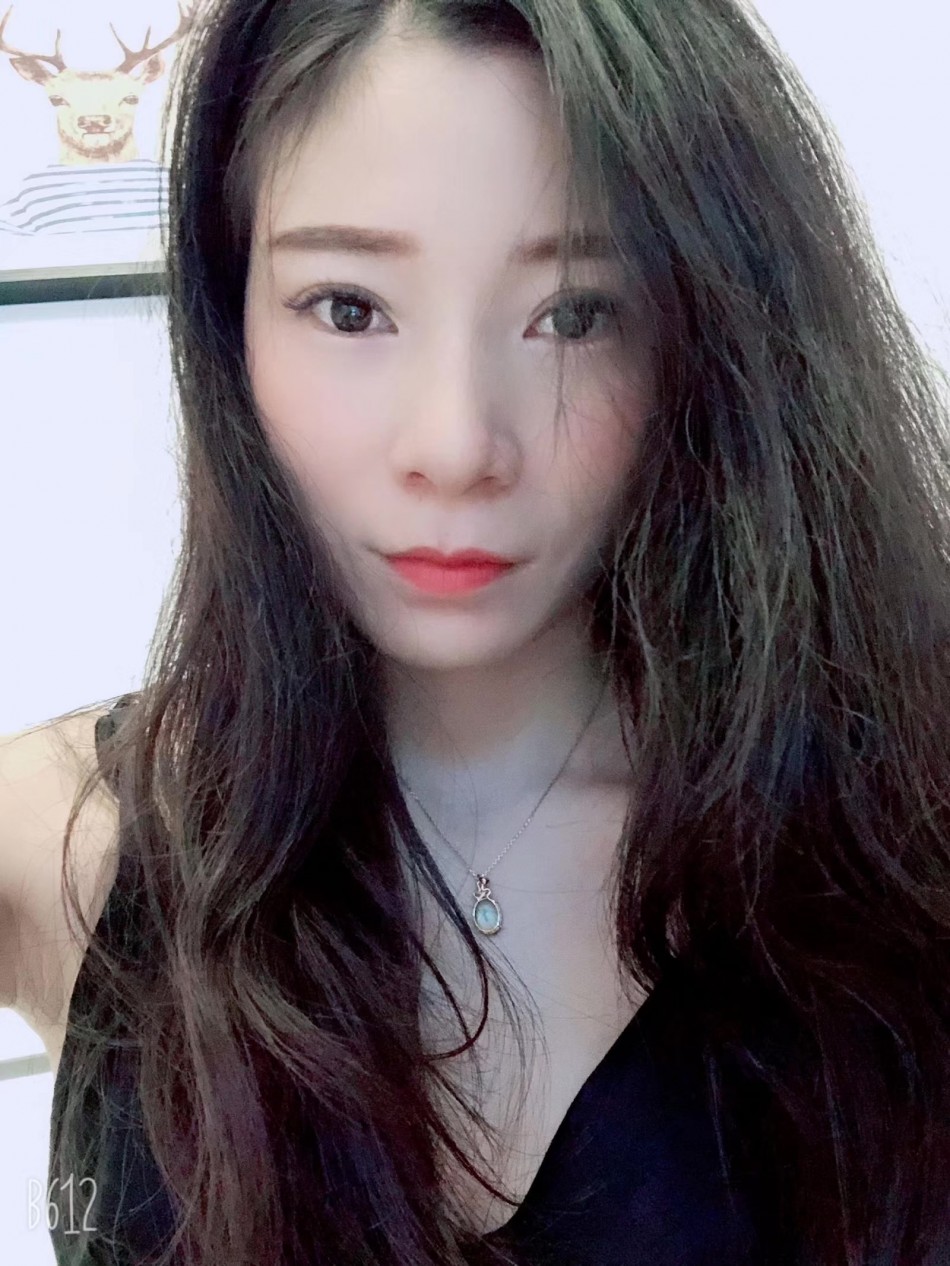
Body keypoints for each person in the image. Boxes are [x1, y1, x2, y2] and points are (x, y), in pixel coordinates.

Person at [2, 0, 950, 1262]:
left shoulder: (891, 844)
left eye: (574, 315)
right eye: (348, 308)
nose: (454, 444)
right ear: (231, 328)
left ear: (713, 337)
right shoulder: (60, 837)